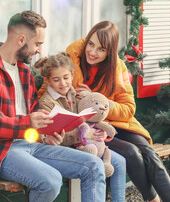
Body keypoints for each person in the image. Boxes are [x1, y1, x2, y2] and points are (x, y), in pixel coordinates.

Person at [0, 11, 106, 202]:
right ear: (21, 39)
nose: (39, 50)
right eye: (37, 44)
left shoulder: (23, 71)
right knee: (51, 181)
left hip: (30, 145)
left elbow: (32, 115)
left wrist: (47, 134)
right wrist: (27, 123)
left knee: (94, 165)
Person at [38, 21, 170, 202]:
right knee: (130, 152)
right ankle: (153, 199)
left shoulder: (118, 67)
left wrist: (100, 102)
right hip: (90, 130)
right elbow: (46, 89)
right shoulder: (72, 58)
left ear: (109, 51)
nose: (92, 52)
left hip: (117, 123)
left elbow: (129, 108)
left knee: (150, 154)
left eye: (101, 49)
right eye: (91, 44)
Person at [35, 52, 127, 202]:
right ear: (47, 81)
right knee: (95, 165)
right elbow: (54, 135)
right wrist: (84, 134)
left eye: (66, 78)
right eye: (56, 80)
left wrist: (100, 132)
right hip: (67, 148)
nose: (63, 83)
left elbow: (93, 117)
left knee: (120, 161)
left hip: (89, 143)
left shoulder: (76, 95)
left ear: (72, 75)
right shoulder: (46, 102)